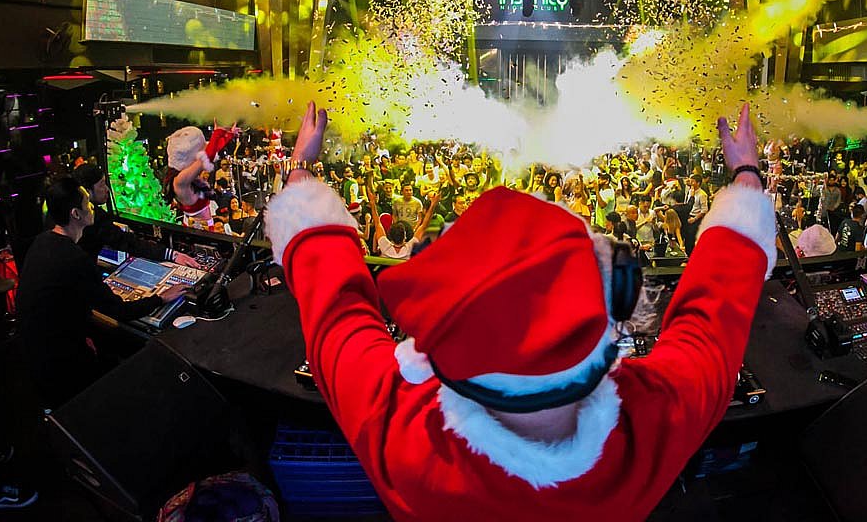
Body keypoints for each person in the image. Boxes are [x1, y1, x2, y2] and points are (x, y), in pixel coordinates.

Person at [263, 101, 773, 519]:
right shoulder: (652, 424)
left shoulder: (402, 437)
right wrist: (746, 174)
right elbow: (710, 330)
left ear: (426, 357)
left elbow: (336, 314)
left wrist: (300, 169)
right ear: (615, 307)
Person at [16, 178, 184, 407]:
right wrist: (161, 297)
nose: (92, 207)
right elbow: (120, 310)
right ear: (76, 214)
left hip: (36, 359)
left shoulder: (42, 242)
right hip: (60, 370)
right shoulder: (73, 258)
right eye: (87, 203)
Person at [72, 164, 199, 268]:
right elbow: (127, 242)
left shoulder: (68, 212)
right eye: (102, 184)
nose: (107, 189)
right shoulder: (94, 218)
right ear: (87, 192)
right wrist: (172, 255)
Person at [368, 179, 440, 260]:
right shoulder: (410, 248)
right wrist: (433, 205)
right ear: (405, 237)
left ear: (390, 236)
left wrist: (372, 203)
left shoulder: (384, 246)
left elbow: (377, 224)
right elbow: (424, 225)